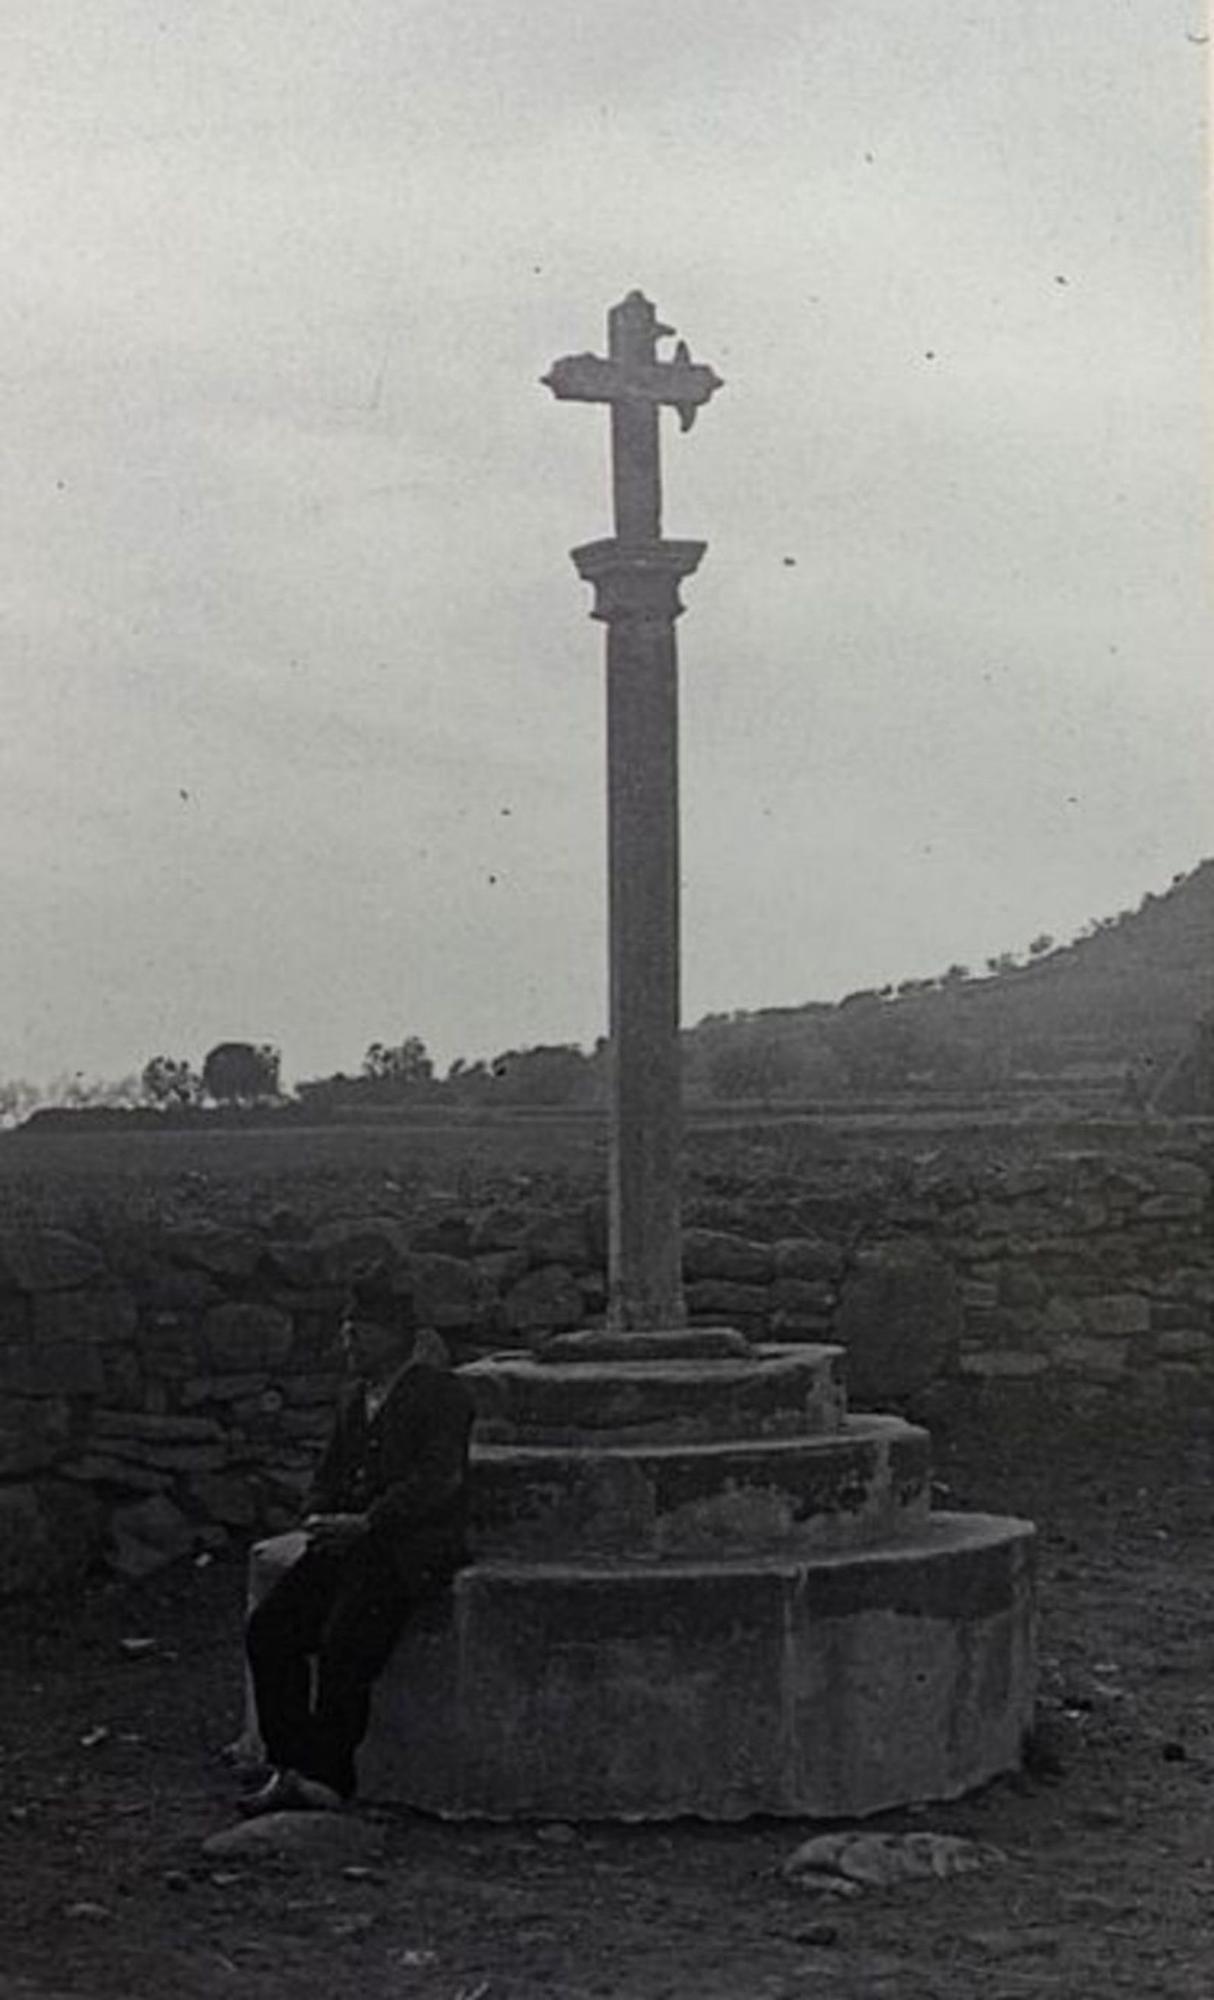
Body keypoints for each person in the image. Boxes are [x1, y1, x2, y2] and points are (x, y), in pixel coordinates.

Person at [241, 1274, 475, 1814]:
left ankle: (328, 1777)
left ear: (399, 1336)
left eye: (362, 1332)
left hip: (409, 1548)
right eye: (347, 1331)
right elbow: (327, 1473)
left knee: (347, 1641)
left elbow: (439, 1481)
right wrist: (318, 1516)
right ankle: (289, 1766)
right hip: (346, 1543)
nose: (349, 1342)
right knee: (271, 1629)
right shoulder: (352, 1399)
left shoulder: (442, 1394)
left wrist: (369, 1522)